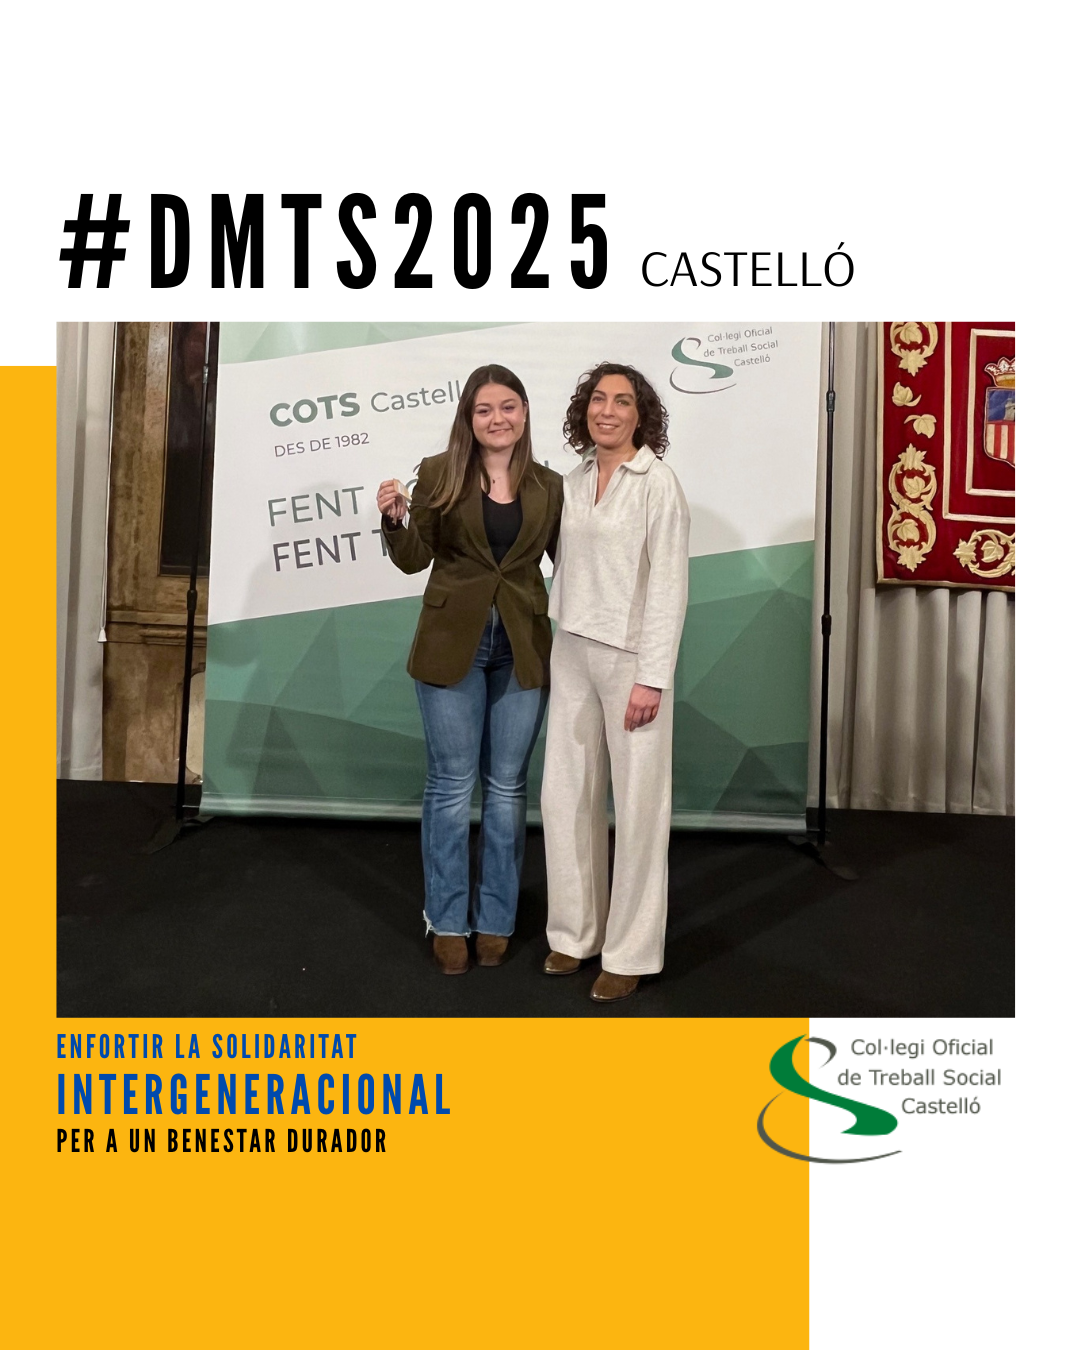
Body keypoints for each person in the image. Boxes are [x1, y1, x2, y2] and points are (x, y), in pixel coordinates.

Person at [377, 365, 563, 975]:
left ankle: (497, 918)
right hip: (450, 643)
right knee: (452, 786)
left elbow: (573, 563)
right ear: (469, 417)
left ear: (525, 412)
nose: (497, 419)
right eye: (484, 409)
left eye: (508, 407)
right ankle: (448, 919)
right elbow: (413, 559)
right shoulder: (439, 472)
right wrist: (396, 520)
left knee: (507, 789)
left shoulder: (550, 485)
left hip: (522, 645)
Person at [541, 363, 690, 1002]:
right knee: (564, 797)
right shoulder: (573, 480)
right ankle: (574, 934)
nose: (607, 410)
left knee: (638, 808)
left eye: (622, 401)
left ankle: (629, 951)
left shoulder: (658, 483)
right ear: (585, 410)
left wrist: (652, 678)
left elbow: (669, 585)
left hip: (631, 661)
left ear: (640, 414)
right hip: (570, 648)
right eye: (598, 399)